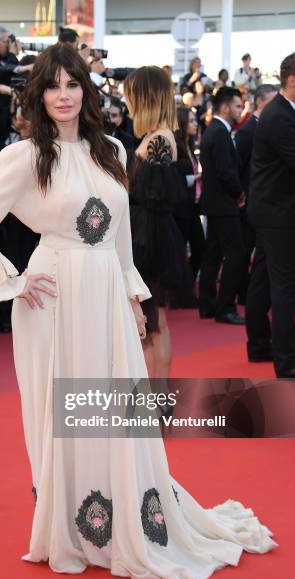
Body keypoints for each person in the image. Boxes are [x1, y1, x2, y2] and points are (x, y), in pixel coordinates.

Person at [0, 44, 276, 579]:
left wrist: (133, 300)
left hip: (106, 292)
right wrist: (12, 282)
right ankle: (75, 528)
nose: (63, 95)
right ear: (40, 94)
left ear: (87, 90)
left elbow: (121, 239)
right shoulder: (23, 156)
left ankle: (128, 518)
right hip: (54, 300)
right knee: (62, 415)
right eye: (53, 85)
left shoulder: (112, 151)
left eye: (72, 84)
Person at [125, 66, 193, 374]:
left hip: (148, 240)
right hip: (146, 235)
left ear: (144, 98)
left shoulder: (161, 139)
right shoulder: (157, 136)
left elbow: (155, 196)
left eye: (131, 96)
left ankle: (157, 400)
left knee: (151, 324)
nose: (127, 103)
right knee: (149, 323)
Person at [247, 51, 295, 377]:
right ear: (293, 80)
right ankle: (287, 360)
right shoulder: (280, 116)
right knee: (284, 287)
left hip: (271, 212)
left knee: (263, 282)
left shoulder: (283, 113)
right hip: (280, 215)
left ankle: (259, 346)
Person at [198, 86, 246, 324]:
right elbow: (226, 171)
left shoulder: (214, 130)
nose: (241, 110)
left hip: (215, 204)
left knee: (213, 255)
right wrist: (239, 193)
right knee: (236, 255)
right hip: (224, 205)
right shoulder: (219, 132)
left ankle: (207, 305)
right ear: (226, 107)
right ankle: (225, 307)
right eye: (238, 106)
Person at [235, 85, 277, 305]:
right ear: (260, 102)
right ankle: (244, 293)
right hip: (248, 200)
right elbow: (238, 165)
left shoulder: (268, 128)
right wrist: (241, 194)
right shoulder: (247, 131)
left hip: (263, 200)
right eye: (272, 101)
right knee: (246, 248)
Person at [174, 106, 205, 281]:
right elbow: (176, 178)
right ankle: (179, 287)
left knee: (200, 247)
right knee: (180, 249)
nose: (195, 124)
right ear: (182, 123)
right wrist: (197, 177)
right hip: (180, 207)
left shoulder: (189, 146)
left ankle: (187, 281)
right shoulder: (176, 148)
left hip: (192, 205)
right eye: (191, 120)